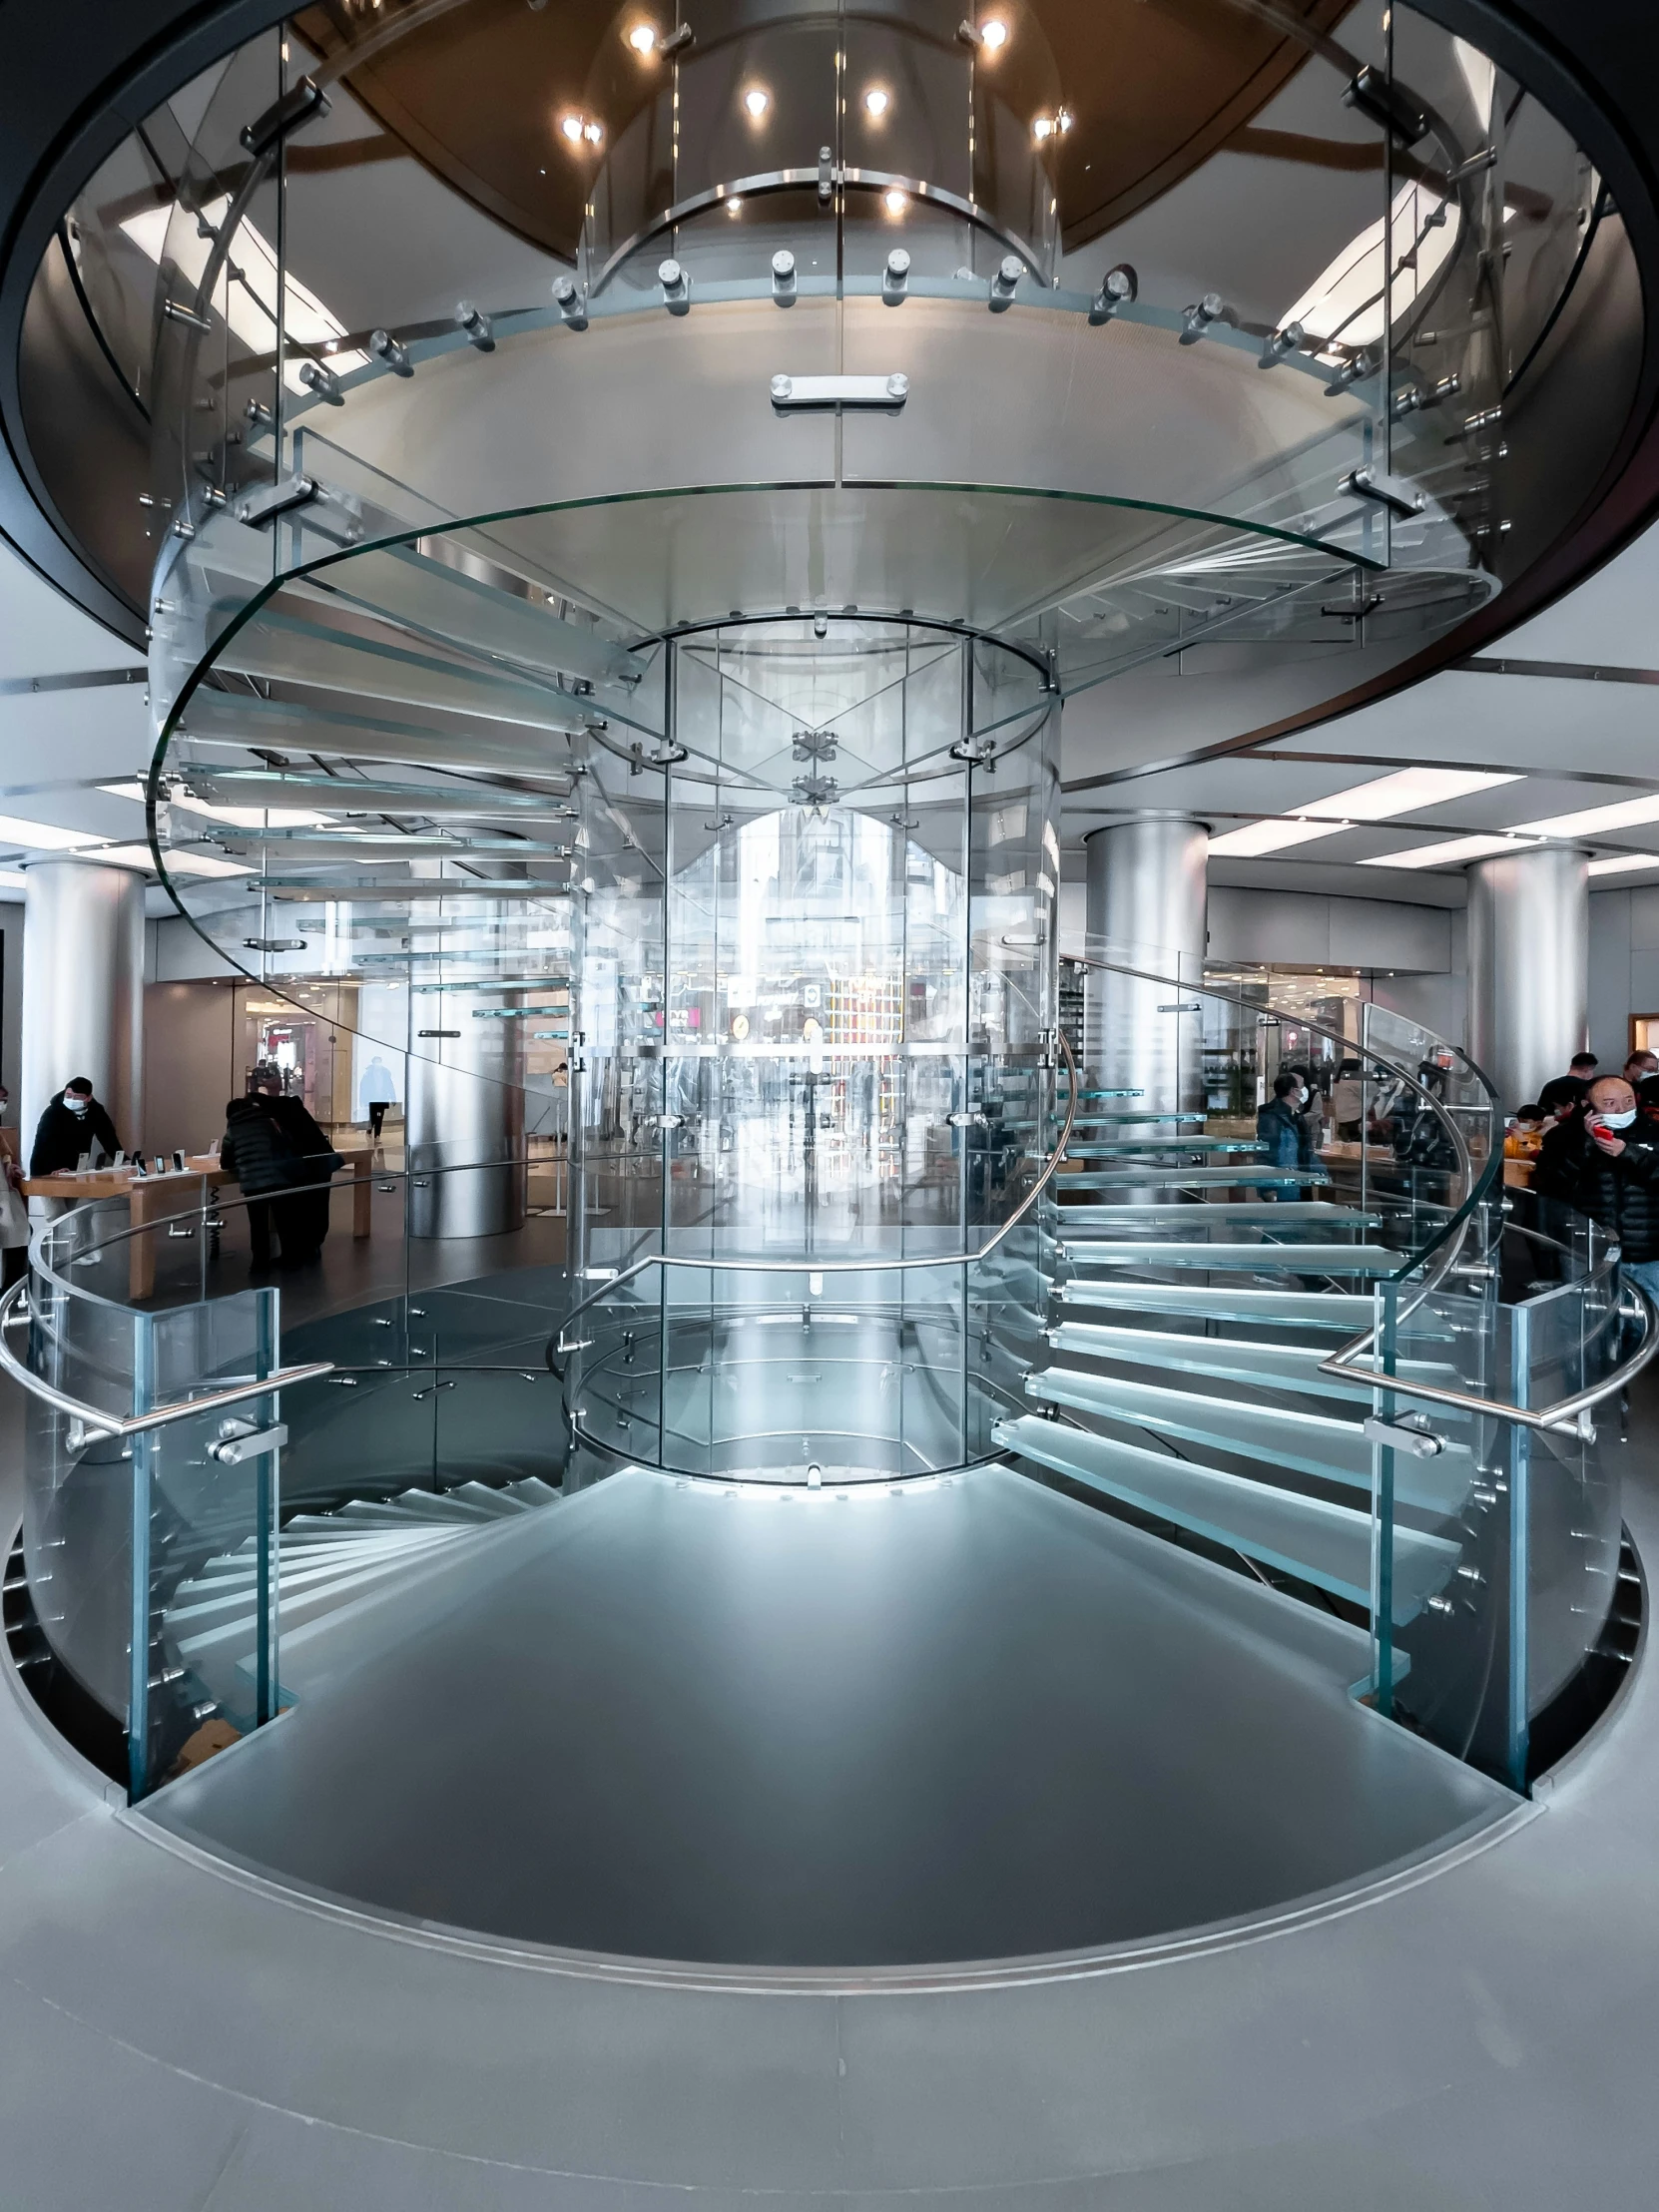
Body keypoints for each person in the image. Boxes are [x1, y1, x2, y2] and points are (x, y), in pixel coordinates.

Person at [1535, 1073, 1659, 1302]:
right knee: (1586, 1320)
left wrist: (1629, 1153)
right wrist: (1587, 1143)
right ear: (1587, 1105)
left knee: (1649, 1320)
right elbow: (1551, 1185)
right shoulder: (1563, 1137)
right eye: (1610, 1104)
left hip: (1647, 1249)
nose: (1621, 1110)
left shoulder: (1653, 1132)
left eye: (1628, 1101)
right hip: (1587, 1248)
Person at [221, 1077, 340, 1271]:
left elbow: (226, 1160)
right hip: (279, 1176)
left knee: (258, 1223)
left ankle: (259, 1263)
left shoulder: (235, 1128)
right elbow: (280, 1144)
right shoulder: (272, 1119)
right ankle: (295, 1254)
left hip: (253, 1182)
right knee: (285, 1218)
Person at [29, 1076, 121, 1176]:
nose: (72, 1100)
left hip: (77, 1166)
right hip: (48, 1168)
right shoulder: (52, 1113)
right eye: (68, 1096)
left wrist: (122, 1160)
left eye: (77, 1097)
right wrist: (55, 1168)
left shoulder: (96, 1111)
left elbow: (108, 1138)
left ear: (88, 1098)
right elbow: (44, 1145)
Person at [1257, 1071, 1316, 1190]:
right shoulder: (1272, 1118)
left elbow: (1306, 1151)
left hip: (1301, 1183)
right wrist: (1267, 1188)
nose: (1306, 1089)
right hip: (1283, 1186)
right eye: (1302, 1086)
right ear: (1293, 1091)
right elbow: (1267, 1155)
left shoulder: (1297, 1117)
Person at [0, 1083, 28, 1290]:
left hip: (5, 1194)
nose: (3, 1105)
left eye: (5, 1101)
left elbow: (5, 1154)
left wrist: (10, 1167)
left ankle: (13, 1289)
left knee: (19, 1237)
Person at [359, 1054, 396, 1141]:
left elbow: (390, 1086)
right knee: (372, 1117)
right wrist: (362, 1100)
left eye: (379, 1062)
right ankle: (369, 1130)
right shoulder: (368, 1074)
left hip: (382, 1100)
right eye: (376, 1062)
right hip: (372, 1100)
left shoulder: (385, 1074)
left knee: (380, 1118)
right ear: (373, 1063)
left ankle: (377, 1135)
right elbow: (363, 1088)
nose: (377, 1064)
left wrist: (393, 1097)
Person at [1330, 1059, 1365, 1142]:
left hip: (1341, 1117)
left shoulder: (1337, 1081)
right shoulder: (1353, 1081)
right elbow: (1365, 1095)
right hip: (1354, 1118)